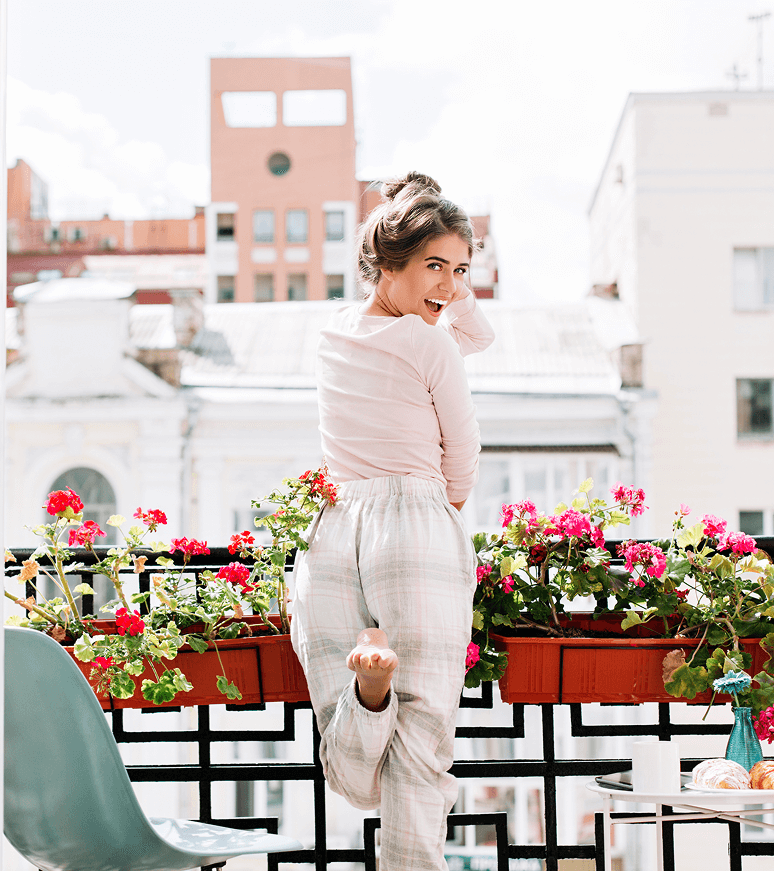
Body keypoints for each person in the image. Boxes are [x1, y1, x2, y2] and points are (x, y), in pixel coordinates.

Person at [291, 171, 494, 869]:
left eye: (461, 270)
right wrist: (438, 517)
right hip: (415, 522)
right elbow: (463, 453)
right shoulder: (432, 344)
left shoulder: (332, 333)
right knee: (423, 739)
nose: (450, 286)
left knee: (351, 767)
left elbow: (452, 328)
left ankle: (369, 697)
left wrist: (439, 284)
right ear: (389, 261)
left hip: (334, 529)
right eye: (435, 265)